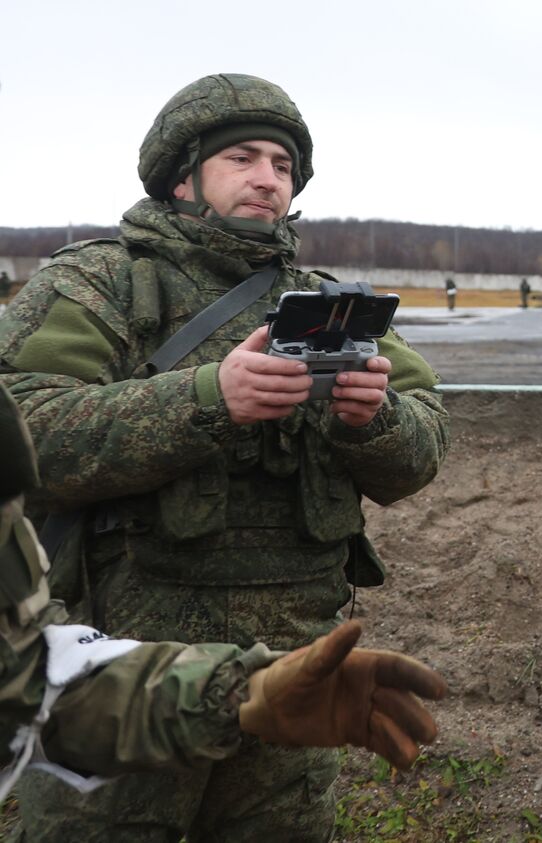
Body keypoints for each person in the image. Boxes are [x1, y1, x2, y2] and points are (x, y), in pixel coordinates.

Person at [0, 73, 450, 841]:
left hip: (296, 678)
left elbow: (423, 452)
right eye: (244, 157)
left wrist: (369, 419)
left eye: (282, 165)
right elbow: (30, 433)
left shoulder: (330, 303)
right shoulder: (99, 284)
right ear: (184, 174)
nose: (268, 178)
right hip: (122, 684)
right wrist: (209, 398)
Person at [2, 380, 447, 799]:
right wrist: (206, 397)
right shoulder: (86, 299)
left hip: (279, 670)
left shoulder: (339, 311)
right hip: (123, 658)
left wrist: (242, 693)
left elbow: (34, 683)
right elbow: (38, 435)